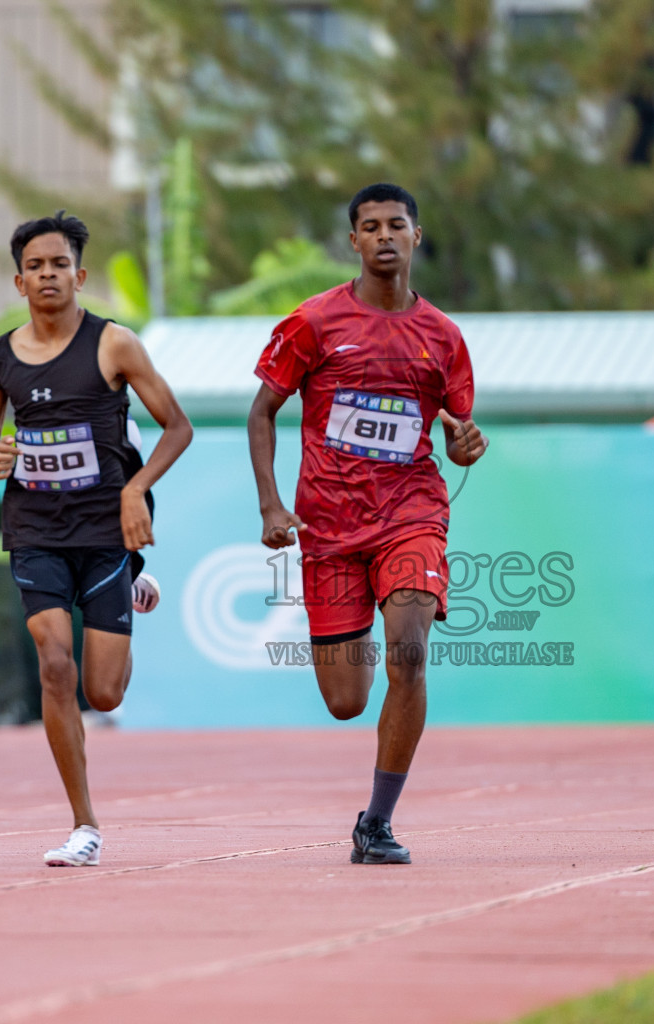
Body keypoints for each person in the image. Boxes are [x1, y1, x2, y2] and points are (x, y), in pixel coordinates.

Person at [248, 183, 487, 865]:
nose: (384, 236)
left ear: (417, 236)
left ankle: (377, 824)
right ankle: (372, 792)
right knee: (346, 700)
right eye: (370, 226)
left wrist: (464, 443)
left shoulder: (443, 337)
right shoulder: (314, 323)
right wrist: (271, 503)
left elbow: (456, 430)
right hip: (329, 527)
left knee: (409, 654)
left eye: (397, 225)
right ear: (353, 241)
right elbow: (260, 411)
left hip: (411, 513)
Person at [0, 210, 192, 867]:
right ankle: (84, 825)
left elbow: (177, 428)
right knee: (54, 664)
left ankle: (130, 582)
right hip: (36, 528)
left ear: (80, 274)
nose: (48, 275)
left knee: (105, 694)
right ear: (19, 282)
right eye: (36, 266)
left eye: (59, 264)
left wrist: (134, 490)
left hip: (104, 532)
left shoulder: (114, 345)